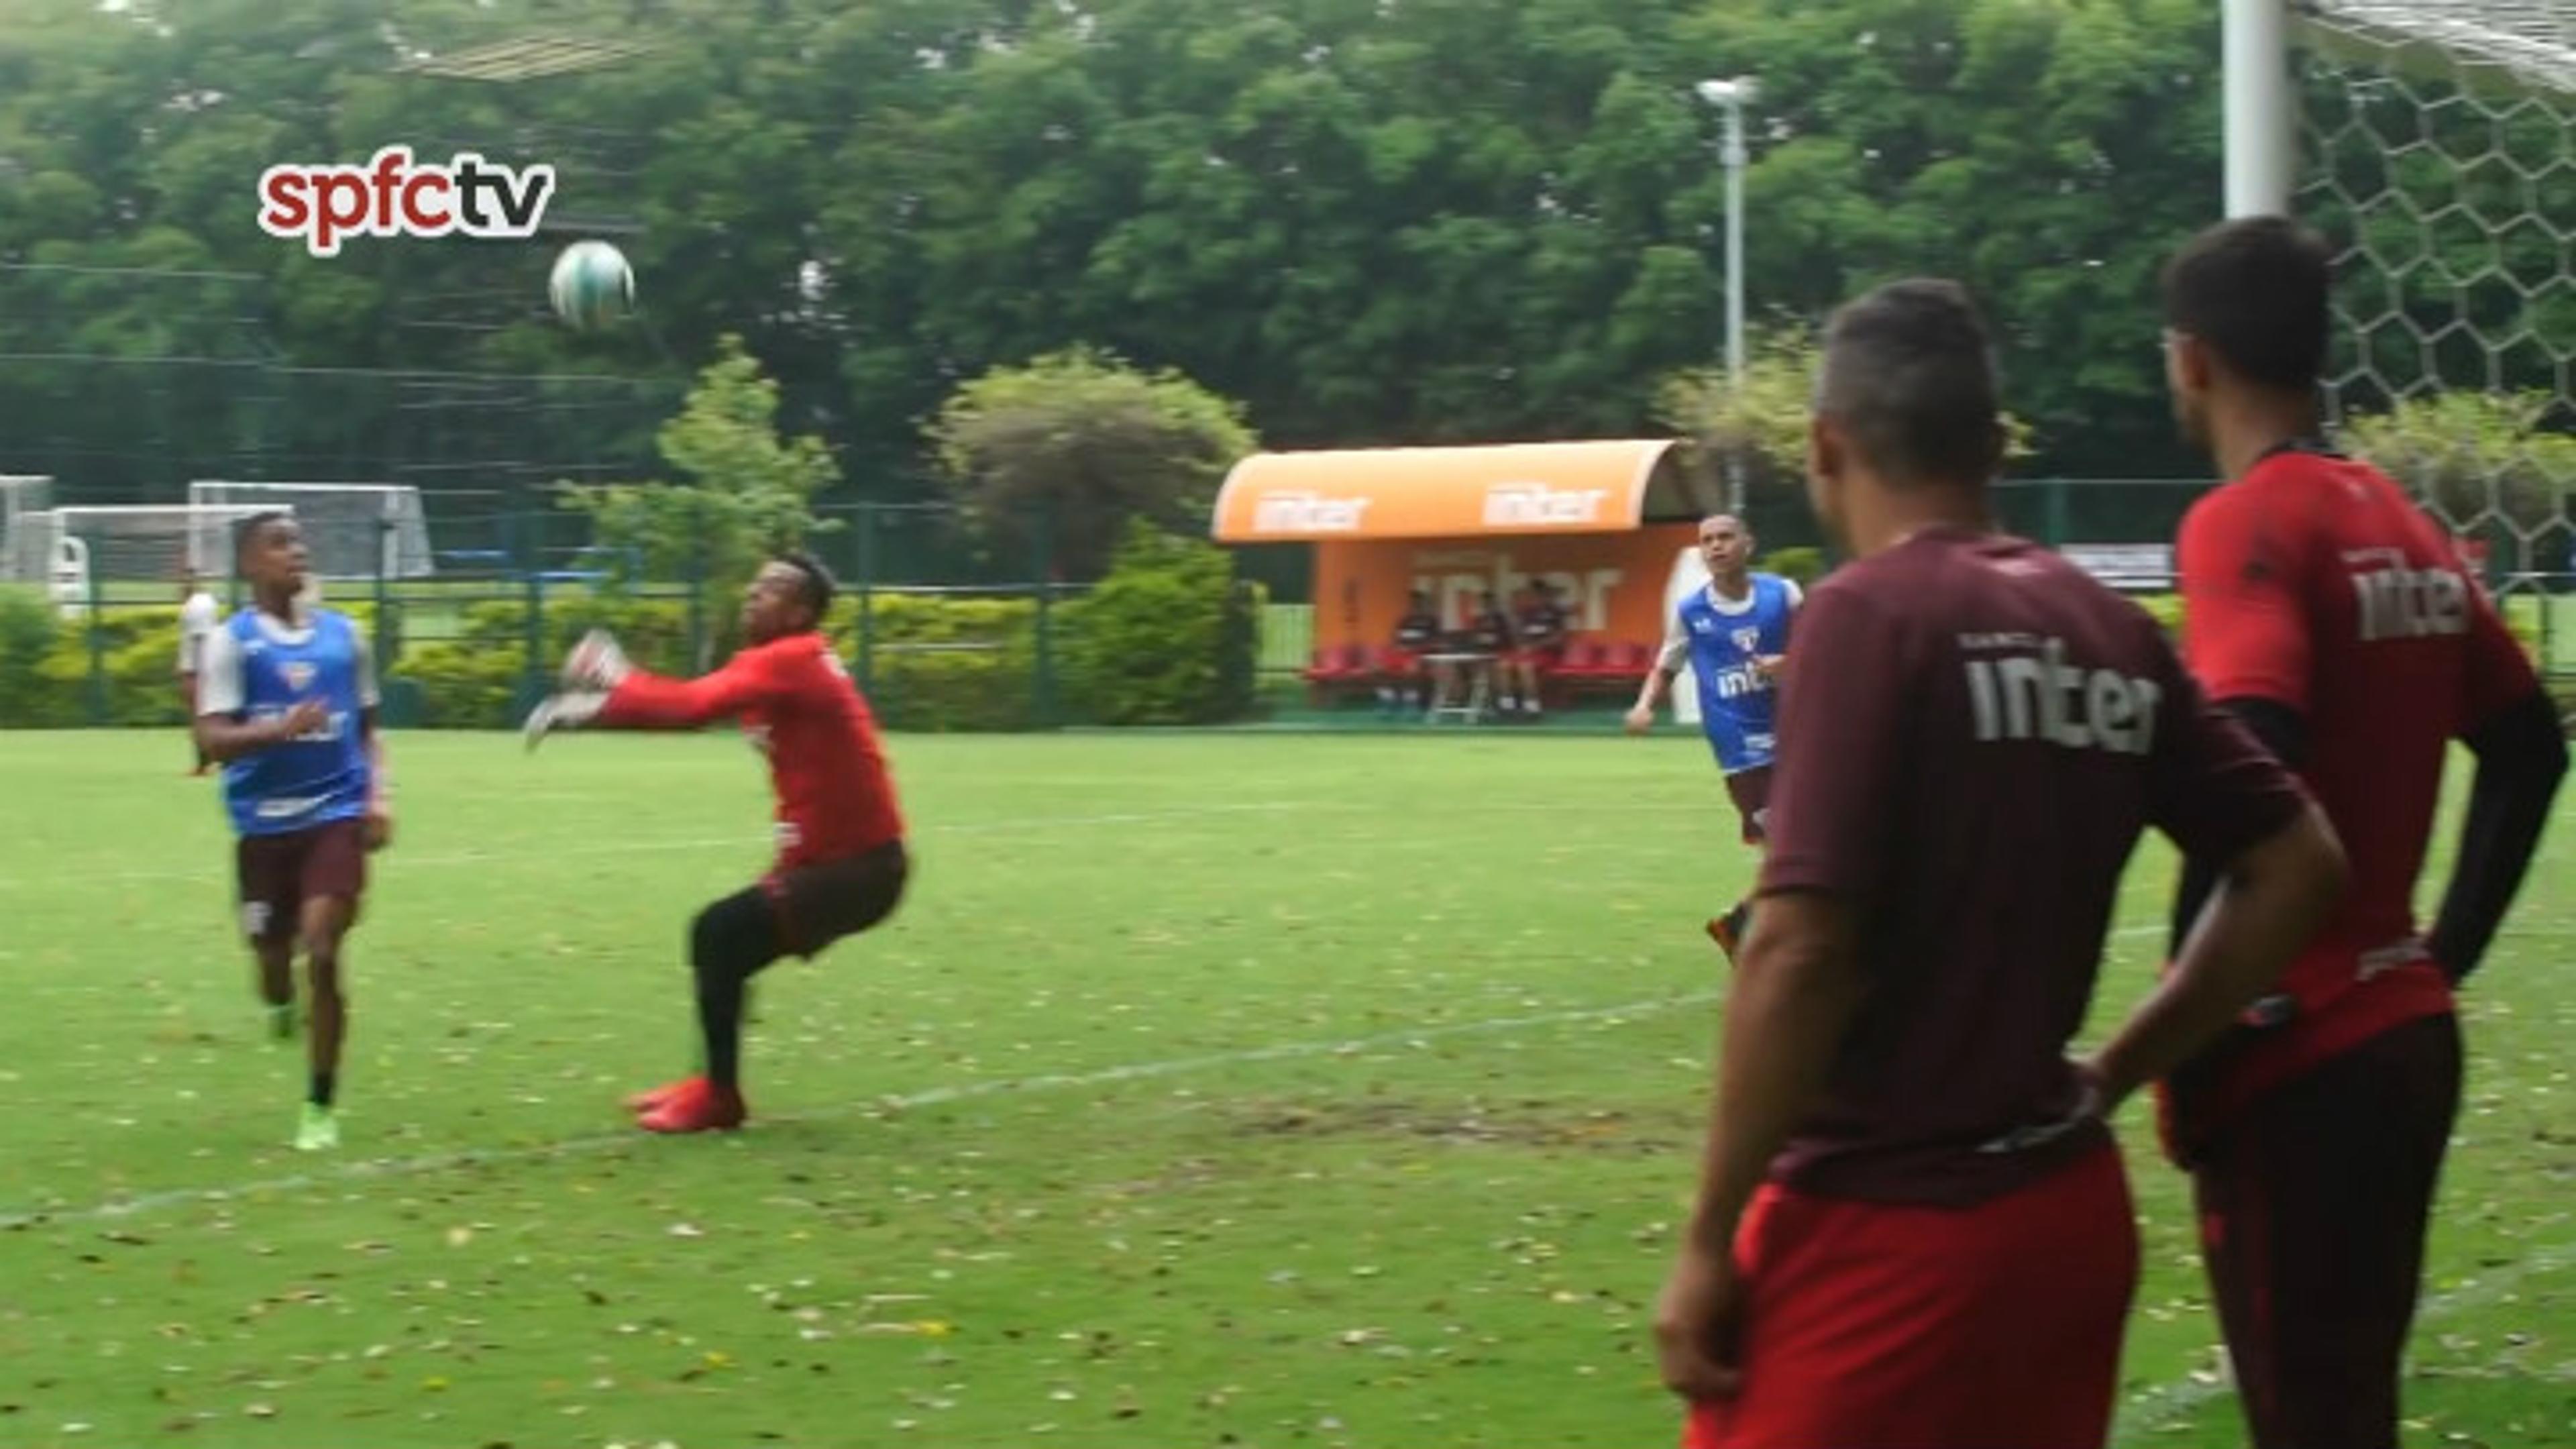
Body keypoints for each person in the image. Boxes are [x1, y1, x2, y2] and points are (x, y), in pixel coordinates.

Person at [1652, 279, 2348, 1449]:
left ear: (1826, 446)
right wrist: (2119, 1068)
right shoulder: (2106, 627)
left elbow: (1803, 945)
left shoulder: (1868, 617)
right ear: (1991, 442)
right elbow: (2301, 863)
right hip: (2063, 1214)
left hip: (1884, 1225)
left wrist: (1706, 1239)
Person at [2156, 215, 2568, 1449]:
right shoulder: (2400, 520)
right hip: (2404, 1031)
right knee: (2350, 1406)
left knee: (2304, 1417)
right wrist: (2439, 954)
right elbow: (2530, 748)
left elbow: (2253, 773)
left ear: (2191, 360)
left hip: (2297, 1053)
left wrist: (2190, 1030)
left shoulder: (2246, 524)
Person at [525, 553, 911, 1134]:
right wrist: (593, 712)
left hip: (854, 868)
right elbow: (688, 712)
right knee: (725, 943)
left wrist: (609, 674)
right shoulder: (781, 663)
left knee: (719, 934)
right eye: (754, 585)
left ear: (802, 611)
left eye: (773, 589)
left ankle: (719, 1097)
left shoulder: (792, 659)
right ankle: (711, 1086)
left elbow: (690, 705)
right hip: (848, 863)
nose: (754, 594)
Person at [190, 513, 392, 1152]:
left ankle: (319, 1103)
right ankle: (279, 1001)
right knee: (274, 963)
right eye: (279, 544)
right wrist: (279, 730)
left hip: (334, 816)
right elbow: (212, 739)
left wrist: (379, 795)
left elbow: (367, 729)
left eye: (300, 540)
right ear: (250, 563)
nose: (296, 552)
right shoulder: (232, 643)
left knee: (324, 948)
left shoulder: (345, 637)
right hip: (262, 829)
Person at [1625, 515, 1798, 961]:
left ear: (1748, 543)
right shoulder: (1692, 611)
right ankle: (1755, 930)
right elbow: (1667, 665)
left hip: (1797, 736)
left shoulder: (1784, 594)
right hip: (1743, 751)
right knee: (1789, 847)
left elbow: (1822, 644)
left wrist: (1790, 662)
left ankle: (1741, 926)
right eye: (1707, 541)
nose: (1716, 547)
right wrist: (1645, 705)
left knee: (1805, 844)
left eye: (1725, 537)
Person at [1501, 577, 1570, 720]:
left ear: (1543, 594)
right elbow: (1521, 638)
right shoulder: (1527, 613)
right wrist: (1514, 623)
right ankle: (1507, 706)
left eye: (1535, 594)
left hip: (1549, 652)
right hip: (1529, 652)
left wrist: (1535, 646)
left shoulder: (1555, 612)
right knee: (1502, 665)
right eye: (1530, 594)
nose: (1533, 597)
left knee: (1525, 667)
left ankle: (1532, 707)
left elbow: (1559, 638)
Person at [176, 569, 220, 776]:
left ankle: (205, 764)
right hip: (198, 668)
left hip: (197, 670)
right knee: (202, 718)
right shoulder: (201, 602)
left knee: (200, 719)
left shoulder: (197, 605)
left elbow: (200, 640)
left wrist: (200, 673)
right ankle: (207, 762)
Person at [1377, 588, 1442, 718]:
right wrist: (1398, 647)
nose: (1415, 606)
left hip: (1420, 654)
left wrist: (1418, 649)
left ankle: (1411, 700)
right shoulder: (1404, 621)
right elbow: (1395, 639)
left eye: (1418, 603)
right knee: (1379, 667)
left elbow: (1436, 640)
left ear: (1423, 604)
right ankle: (1388, 699)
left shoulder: (1430, 621)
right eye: (1412, 603)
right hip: (1401, 654)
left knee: (1412, 667)